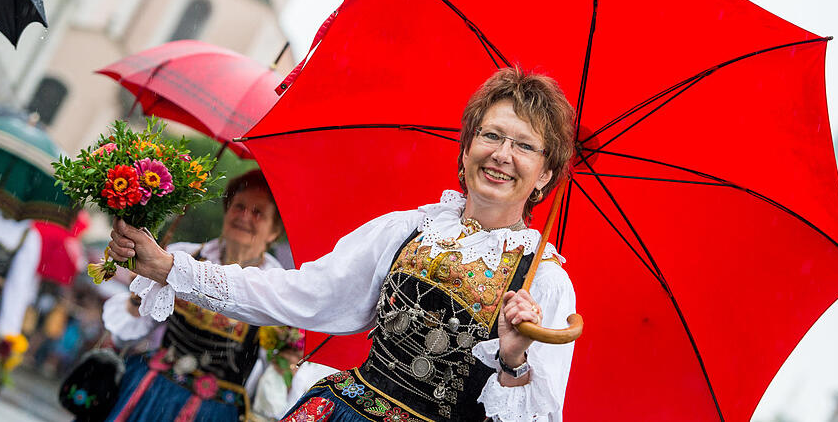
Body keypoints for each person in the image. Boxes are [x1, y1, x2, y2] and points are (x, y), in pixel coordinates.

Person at [110, 69, 578, 421]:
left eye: (525, 146)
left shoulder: (545, 283)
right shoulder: (406, 229)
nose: (502, 154)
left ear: (546, 174)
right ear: (466, 148)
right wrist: (170, 267)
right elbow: (295, 293)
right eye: (491, 135)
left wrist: (513, 360)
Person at [101, 170, 287, 421]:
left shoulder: (277, 289)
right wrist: (138, 295)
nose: (244, 216)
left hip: (213, 413)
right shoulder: (181, 257)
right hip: (149, 392)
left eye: (258, 213)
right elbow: (125, 337)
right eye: (239, 206)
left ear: (274, 231)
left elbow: (265, 385)